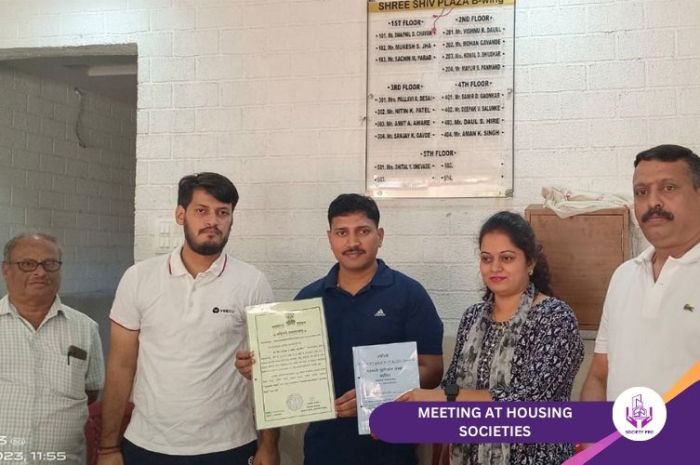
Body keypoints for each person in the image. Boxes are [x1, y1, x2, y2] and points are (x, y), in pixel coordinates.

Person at [236, 193, 444, 465]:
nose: (352, 242)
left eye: (363, 231)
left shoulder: (409, 294)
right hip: (324, 449)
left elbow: (432, 369)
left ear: (380, 236)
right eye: (342, 232)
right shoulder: (308, 300)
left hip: (391, 448)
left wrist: (375, 393)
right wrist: (264, 369)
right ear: (330, 238)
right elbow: (291, 372)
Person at [97, 173, 279, 465]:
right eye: (201, 211)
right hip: (148, 443)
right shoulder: (138, 278)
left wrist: (269, 446)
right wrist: (108, 448)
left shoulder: (252, 282)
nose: (213, 221)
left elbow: (270, 371)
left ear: (232, 219)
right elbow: (120, 365)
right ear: (180, 215)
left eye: (223, 213)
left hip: (229, 444)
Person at [399, 211, 584, 465]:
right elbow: (451, 385)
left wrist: (447, 397)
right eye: (487, 258)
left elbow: (530, 401)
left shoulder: (555, 317)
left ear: (530, 262)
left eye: (506, 258)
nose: (495, 267)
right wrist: (402, 416)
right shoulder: (472, 317)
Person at [581, 144, 700, 402]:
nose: (653, 202)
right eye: (641, 192)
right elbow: (599, 375)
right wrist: (593, 427)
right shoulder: (624, 276)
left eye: (669, 188)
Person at [0, 232, 104, 464]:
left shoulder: (85, 328)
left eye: (50, 264)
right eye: (27, 264)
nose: (40, 272)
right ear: (5, 270)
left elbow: (90, 392)